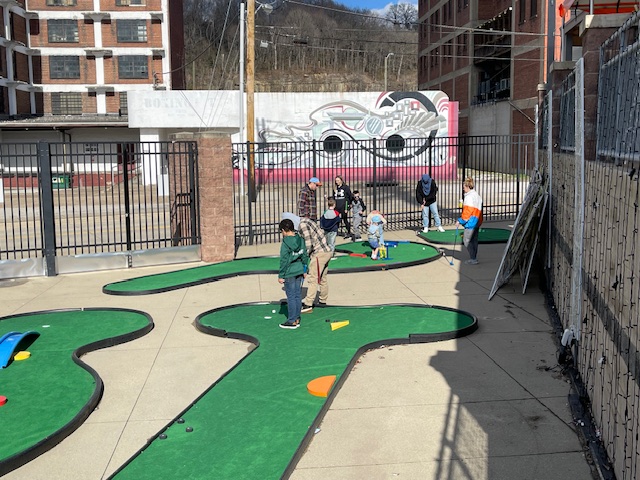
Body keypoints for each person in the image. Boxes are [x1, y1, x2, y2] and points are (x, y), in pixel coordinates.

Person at [277, 218, 309, 329]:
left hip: (289, 272)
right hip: (299, 269)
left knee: (291, 297)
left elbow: (284, 260)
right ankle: (297, 318)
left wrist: (281, 275)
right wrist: (305, 269)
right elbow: (305, 255)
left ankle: (291, 320)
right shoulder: (300, 239)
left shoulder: (286, 243)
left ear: (284, 230)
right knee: (297, 295)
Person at [298, 216, 333, 313]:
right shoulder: (306, 220)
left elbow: (308, 243)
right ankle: (323, 301)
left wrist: (305, 257)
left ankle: (308, 304)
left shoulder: (302, 225)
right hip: (327, 251)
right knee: (322, 278)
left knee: (313, 279)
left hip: (319, 253)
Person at [458, 177, 483, 265]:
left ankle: (473, 258)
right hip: (477, 221)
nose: (463, 188)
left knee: (467, 240)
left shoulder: (469, 197)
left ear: (468, 186)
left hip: (471, 222)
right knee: (474, 240)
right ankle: (474, 257)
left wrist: (460, 221)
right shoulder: (477, 196)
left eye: (464, 187)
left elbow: (467, 212)